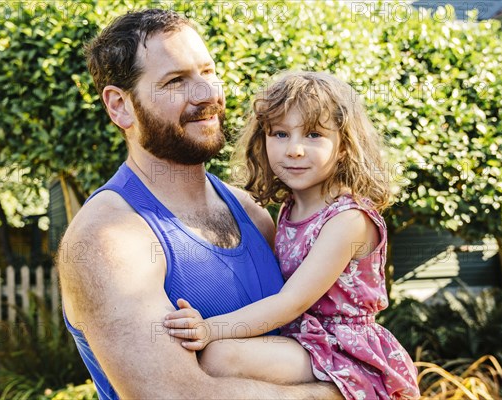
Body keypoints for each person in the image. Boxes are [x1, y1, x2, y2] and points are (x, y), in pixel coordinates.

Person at [57, 8, 342, 400]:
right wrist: (344, 392)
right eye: (176, 81)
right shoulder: (108, 240)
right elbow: (174, 396)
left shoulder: (255, 215)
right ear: (119, 106)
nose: (207, 95)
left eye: (207, 72)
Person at [163, 71, 421, 399]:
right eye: (281, 134)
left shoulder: (348, 219)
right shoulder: (288, 209)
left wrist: (209, 327)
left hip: (345, 349)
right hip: (305, 343)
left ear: (344, 146)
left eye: (314, 135)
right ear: (263, 140)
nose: (295, 149)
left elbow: (291, 301)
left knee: (220, 355)